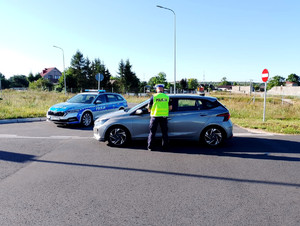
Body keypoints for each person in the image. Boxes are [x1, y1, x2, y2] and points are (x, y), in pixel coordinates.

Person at [147, 84, 172, 151]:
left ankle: (150, 147)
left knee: (152, 132)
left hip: (154, 117)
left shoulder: (154, 96)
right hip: (163, 117)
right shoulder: (167, 97)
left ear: (156, 89)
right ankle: (165, 147)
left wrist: (150, 111)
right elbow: (170, 108)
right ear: (163, 89)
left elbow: (149, 106)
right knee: (164, 133)